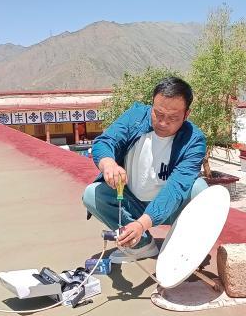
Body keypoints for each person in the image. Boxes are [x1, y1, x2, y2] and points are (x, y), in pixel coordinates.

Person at [82, 77, 208, 263]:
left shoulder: (194, 141)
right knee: (92, 194)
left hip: (172, 207)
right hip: (132, 203)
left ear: (186, 114)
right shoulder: (135, 116)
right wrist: (108, 164)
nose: (163, 123)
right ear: (152, 105)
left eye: (173, 118)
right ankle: (141, 245)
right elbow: (106, 141)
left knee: (199, 189)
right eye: (158, 114)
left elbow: (175, 189)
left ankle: (183, 247)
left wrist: (142, 224)